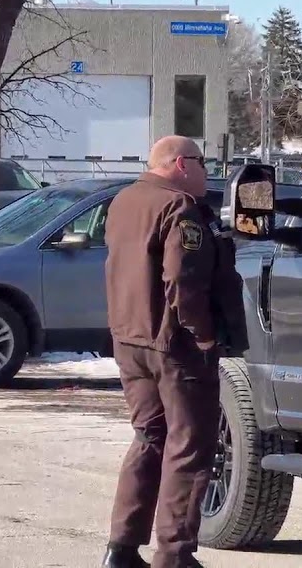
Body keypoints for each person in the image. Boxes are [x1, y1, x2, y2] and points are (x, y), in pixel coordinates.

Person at [102, 135, 245, 568]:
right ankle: (175, 556)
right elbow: (181, 281)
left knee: (149, 437)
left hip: (130, 341)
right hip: (174, 346)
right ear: (182, 164)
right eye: (203, 163)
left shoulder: (124, 201)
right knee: (189, 446)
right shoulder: (178, 208)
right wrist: (204, 337)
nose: (208, 172)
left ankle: (122, 549)